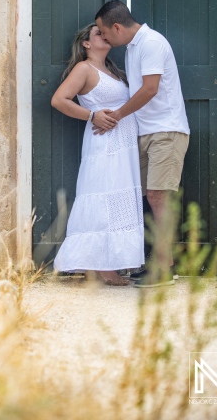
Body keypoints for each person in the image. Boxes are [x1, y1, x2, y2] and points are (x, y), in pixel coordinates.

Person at [95, 0, 190, 288]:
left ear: (117, 26)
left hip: (166, 130)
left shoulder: (151, 43)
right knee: (151, 197)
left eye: (104, 32)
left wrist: (118, 116)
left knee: (159, 197)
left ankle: (164, 268)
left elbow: (150, 88)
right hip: (146, 131)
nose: (105, 39)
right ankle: (159, 264)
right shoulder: (133, 48)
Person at [51, 23, 145, 286]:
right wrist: (92, 115)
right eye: (97, 33)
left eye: (105, 32)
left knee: (119, 199)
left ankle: (108, 261)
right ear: (86, 44)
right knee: (103, 197)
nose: (104, 35)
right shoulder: (84, 69)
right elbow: (59, 100)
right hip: (104, 145)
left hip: (124, 145)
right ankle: (104, 267)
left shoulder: (113, 71)